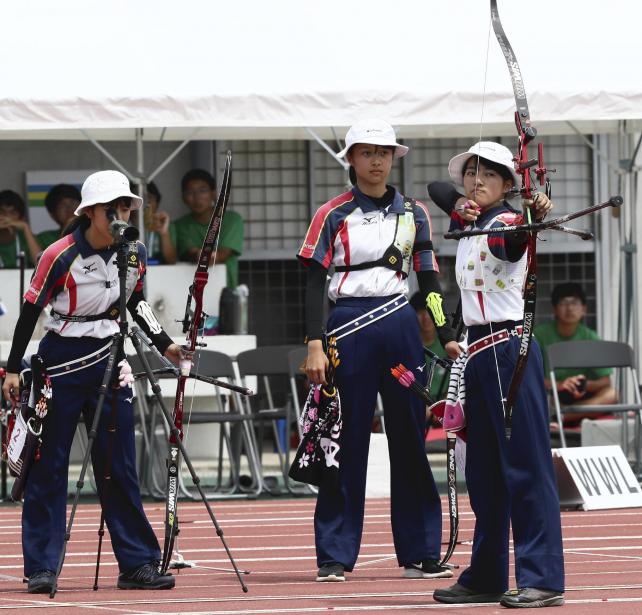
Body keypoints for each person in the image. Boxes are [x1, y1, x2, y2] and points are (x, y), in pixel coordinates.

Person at [1, 170, 181, 594]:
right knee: (48, 465)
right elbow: (30, 312)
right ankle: (42, 567)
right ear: (89, 213)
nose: (120, 214)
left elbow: (134, 302)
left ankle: (137, 563)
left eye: (125, 207)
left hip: (110, 359)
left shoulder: (133, 250)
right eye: (111, 208)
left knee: (119, 464)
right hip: (60, 360)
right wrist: (11, 368)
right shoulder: (58, 255)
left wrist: (166, 344)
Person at [298, 118, 460, 583]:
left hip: (400, 326)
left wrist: (445, 331)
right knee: (345, 440)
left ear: (393, 158)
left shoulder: (415, 212)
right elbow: (312, 282)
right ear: (350, 158)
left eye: (384, 152)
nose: (376, 160)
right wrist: (313, 343)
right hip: (346, 327)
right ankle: (334, 554)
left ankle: (421, 551)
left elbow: (429, 281)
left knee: (410, 438)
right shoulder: (331, 213)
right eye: (366, 152)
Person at [427, 141, 565, 608]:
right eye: (472, 173)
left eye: (490, 174)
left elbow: (510, 244)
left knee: (525, 465)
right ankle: (486, 575)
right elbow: (435, 187)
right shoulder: (466, 218)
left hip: (511, 350)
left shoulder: (507, 222)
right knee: (484, 473)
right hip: (477, 353)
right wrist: (463, 203)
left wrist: (531, 209)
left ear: (509, 184)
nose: (477, 180)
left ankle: (543, 578)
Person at [535, 282, 617, 425]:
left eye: (575, 303)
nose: (570, 308)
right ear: (554, 309)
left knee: (612, 394)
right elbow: (529, 377)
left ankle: (564, 415)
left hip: (583, 396)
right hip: (552, 393)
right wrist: (560, 384)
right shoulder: (539, 335)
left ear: (584, 309)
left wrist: (584, 384)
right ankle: (562, 413)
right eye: (563, 303)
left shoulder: (591, 337)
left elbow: (606, 381)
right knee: (536, 396)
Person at [175, 169, 243, 287]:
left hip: (226, 291)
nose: (197, 197)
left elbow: (224, 254)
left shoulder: (232, 220)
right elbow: (189, 252)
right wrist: (197, 255)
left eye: (202, 191)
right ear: (183, 197)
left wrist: (205, 256)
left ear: (213, 194)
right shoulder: (180, 225)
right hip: (189, 290)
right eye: (190, 192)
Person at [410, 291, 449, 400]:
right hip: (421, 404)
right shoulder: (410, 348)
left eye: (429, 311)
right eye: (420, 312)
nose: (426, 317)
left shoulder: (448, 343)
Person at [130, 181, 177, 264]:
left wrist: (164, 233)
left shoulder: (165, 224)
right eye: (138, 198)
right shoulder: (122, 226)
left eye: (149, 198)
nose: (144, 203)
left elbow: (171, 260)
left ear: (157, 202)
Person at [0, 190, 41, 267]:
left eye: (12, 213)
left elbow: (40, 265)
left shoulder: (25, 237)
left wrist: (25, 227)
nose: (6, 216)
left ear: (21, 218)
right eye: (2, 212)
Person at [37, 184, 81, 250]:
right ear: (52, 215)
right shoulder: (44, 238)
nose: (69, 209)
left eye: (73, 203)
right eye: (62, 205)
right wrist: (67, 229)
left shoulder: (95, 232)